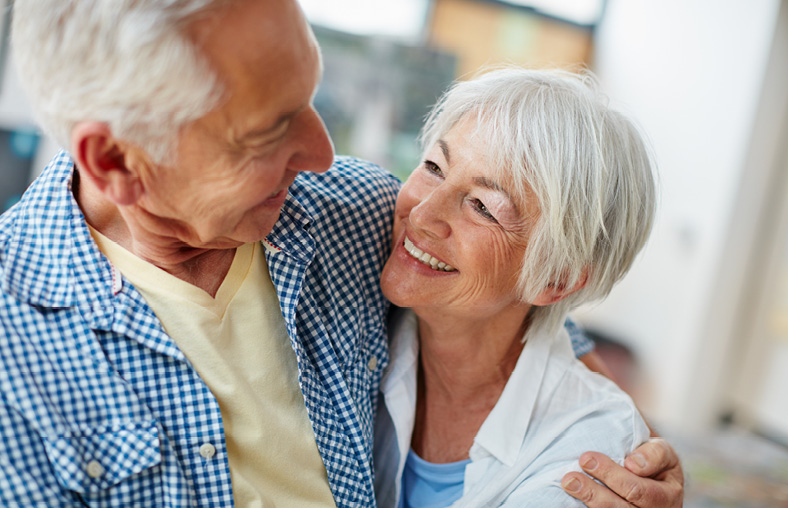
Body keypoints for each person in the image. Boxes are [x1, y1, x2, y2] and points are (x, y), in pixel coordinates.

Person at [0, 0, 680, 506]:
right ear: (116, 159)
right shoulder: (15, 355)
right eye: (269, 131)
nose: (324, 153)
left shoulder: (346, 210)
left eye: (309, 99)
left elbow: (520, 295)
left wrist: (632, 450)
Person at [374, 67, 683, 507]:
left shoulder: (592, 451)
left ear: (554, 279)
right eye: (434, 167)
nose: (421, 214)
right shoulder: (360, 307)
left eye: (482, 207)